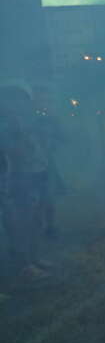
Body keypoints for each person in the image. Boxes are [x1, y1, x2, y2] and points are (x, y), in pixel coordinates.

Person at [0, 110, 55, 281]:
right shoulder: (6, 132)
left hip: (34, 175)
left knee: (36, 220)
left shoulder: (29, 125)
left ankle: (34, 258)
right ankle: (25, 266)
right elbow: (12, 157)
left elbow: (39, 151)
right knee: (21, 224)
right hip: (16, 180)